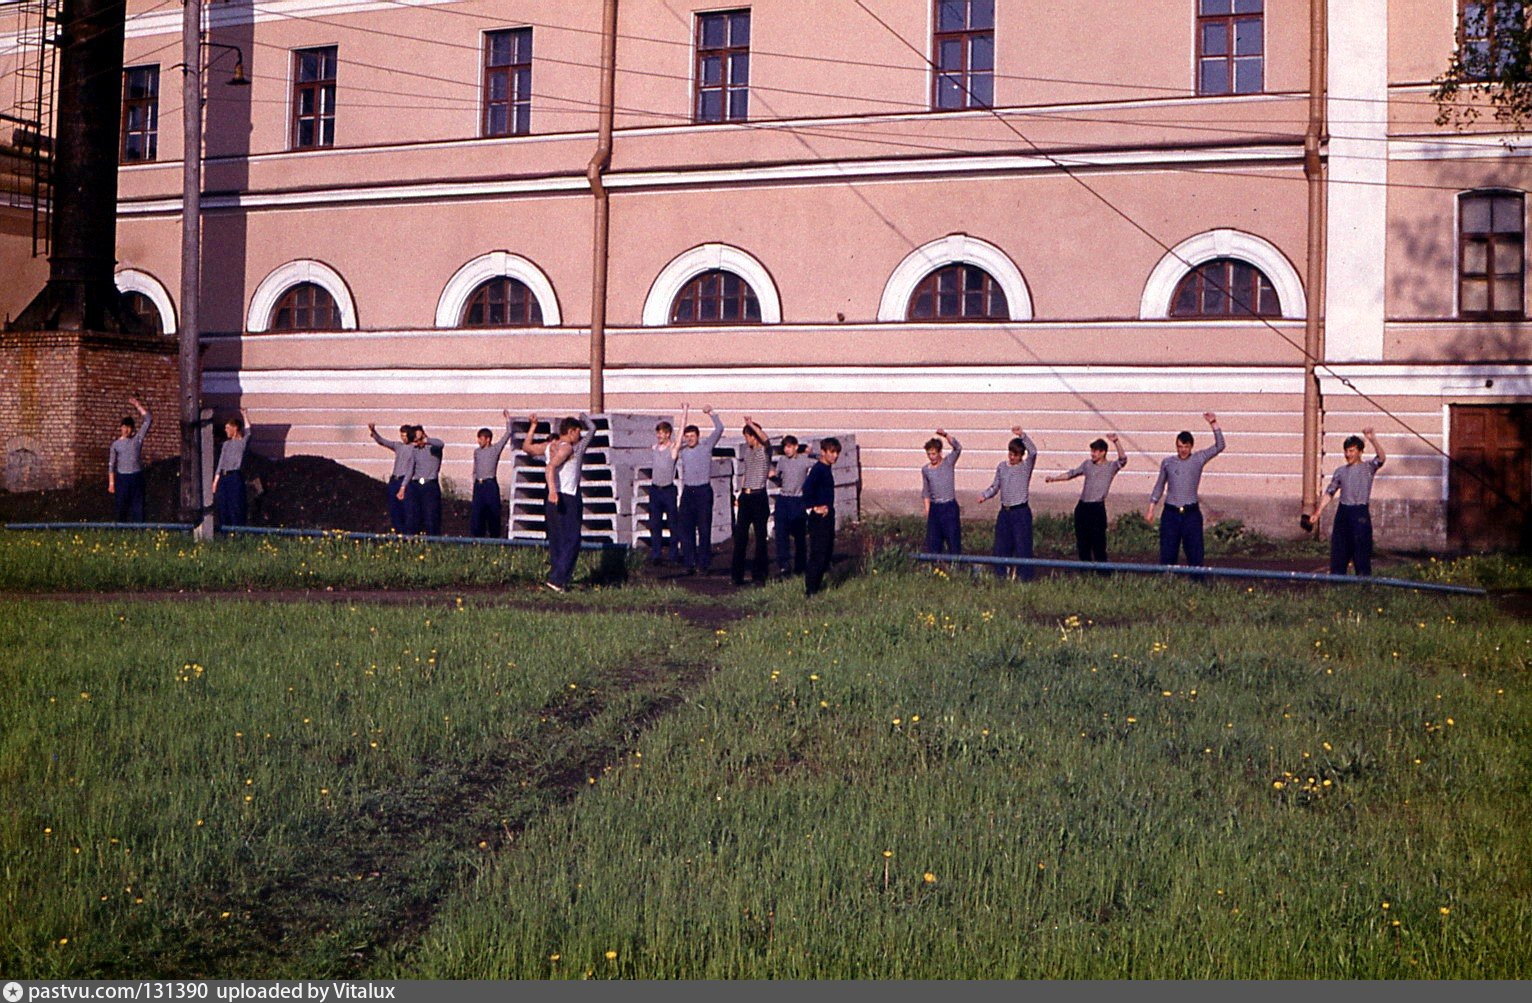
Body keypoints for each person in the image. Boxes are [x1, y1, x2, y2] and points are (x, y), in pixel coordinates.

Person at [522, 412, 596, 592]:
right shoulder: (567, 448)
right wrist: (584, 416)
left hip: (554, 496)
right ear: (571, 431)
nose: (579, 436)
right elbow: (550, 467)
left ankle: (557, 579)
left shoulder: (550, 446)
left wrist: (533, 427)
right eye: (577, 432)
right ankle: (558, 579)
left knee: (557, 539)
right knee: (572, 539)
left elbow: (527, 447)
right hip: (566, 495)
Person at [1145, 412, 1225, 568]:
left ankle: (1197, 583)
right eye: (1179, 446)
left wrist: (1214, 423)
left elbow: (1220, 445)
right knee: (1168, 553)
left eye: (1186, 447)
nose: (1182, 450)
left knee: (1195, 553)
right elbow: (1159, 485)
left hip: (1191, 514)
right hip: (1171, 513)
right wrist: (1151, 508)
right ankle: (1168, 583)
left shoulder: (1198, 459)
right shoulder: (1168, 462)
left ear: (1191, 447)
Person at [1309, 427, 1386, 576]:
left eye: (1351, 451)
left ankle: (1363, 585)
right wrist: (1317, 513)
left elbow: (1381, 458)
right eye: (1346, 451)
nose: (1347, 454)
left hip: (1360, 513)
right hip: (1343, 512)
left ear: (1359, 452)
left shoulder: (1368, 468)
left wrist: (1372, 439)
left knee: (1361, 551)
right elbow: (1330, 492)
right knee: (1339, 551)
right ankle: (1337, 584)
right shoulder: (1340, 471)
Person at [1047, 433, 1128, 564]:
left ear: (1103, 452)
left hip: (1097, 508)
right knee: (1082, 542)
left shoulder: (1110, 467)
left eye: (1095, 451)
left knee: (1098, 542)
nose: (1092, 454)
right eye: (1092, 451)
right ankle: (1085, 571)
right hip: (1083, 507)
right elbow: (1071, 474)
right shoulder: (1087, 464)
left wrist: (1116, 441)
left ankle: (1102, 573)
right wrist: (1054, 479)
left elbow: (1123, 460)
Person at [975, 426, 1038, 580]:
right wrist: (985, 495)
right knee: (1001, 546)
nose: (1011, 457)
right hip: (1005, 512)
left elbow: (1034, 452)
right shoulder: (1002, 467)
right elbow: (996, 485)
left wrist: (1023, 435)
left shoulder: (1025, 467)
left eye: (1015, 455)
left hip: (1020, 511)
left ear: (1021, 455)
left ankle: (1024, 577)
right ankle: (1001, 575)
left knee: (1023, 546)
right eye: (1010, 454)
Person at [675, 403, 724, 576]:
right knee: (685, 528)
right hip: (688, 492)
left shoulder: (706, 446)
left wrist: (711, 413)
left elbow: (719, 429)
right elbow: (672, 445)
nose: (689, 439)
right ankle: (689, 562)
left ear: (698, 436)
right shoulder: (683, 450)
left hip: (703, 491)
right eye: (687, 436)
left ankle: (703, 563)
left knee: (704, 528)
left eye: (692, 436)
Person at [731, 416, 773, 586]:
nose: (746, 440)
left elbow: (766, 439)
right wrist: (739, 494)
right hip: (746, 495)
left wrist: (751, 425)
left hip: (758, 496)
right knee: (741, 537)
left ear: (753, 436)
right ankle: (737, 575)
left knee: (760, 536)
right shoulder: (748, 452)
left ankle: (759, 575)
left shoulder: (764, 450)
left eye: (747, 436)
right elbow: (746, 473)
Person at [770, 434, 816, 578]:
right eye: (785, 447)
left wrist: (810, 452)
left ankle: (800, 566)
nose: (787, 450)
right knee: (781, 533)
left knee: (799, 534)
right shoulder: (783, 461)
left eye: (789, 447)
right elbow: (779, 479)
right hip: (784, 499)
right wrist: (772, 476)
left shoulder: (804, 460)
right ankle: (784, 565)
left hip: (797, 500)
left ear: (796, 447)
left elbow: (819, 462)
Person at [803, 437, 842, 597]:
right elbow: (806, 489)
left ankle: (816, 587)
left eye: (837, 453)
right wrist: (814, 508)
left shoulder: (826, 468)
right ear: (823, 452)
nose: (835, 456)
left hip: (828, 515)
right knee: (818, 553)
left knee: (826, 552)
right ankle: (811, 590)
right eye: (832, 452)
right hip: (818, 518)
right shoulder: (818, 470)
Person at [470, 410, 515, 538]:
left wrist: (508, 420)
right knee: (477, 514)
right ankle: (477, 539)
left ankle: (494, 538)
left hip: (490, 485)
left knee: (493, 513)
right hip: (479, 485)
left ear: (488, 439)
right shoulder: (477, 452)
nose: (479, 441)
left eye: (481, 438)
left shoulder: (495, 449)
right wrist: (474, 480)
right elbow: (475, 468)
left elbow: (508, 434)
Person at [108, 396, 151, 523]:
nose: (126, 430)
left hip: (136, 477)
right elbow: (111, 465)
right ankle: (121, 532)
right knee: (121, 508)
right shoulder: (115, 445)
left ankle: (139, 533)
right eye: (124, 427)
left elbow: (148, 419)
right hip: (122, 478)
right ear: (120, 428)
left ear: (132, 429)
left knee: (138, 508)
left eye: (129, 427)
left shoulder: (137, 440)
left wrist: (137, 405)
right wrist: (111, 483)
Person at [921, 428, 963, 556]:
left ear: (939, 452)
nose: (931, 457)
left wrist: (945, 435)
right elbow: (926, 491)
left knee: (953, 540)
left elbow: (958, 448)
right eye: (929, 454)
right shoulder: (926, 470)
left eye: (934, 453)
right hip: (935, 507)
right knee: (934, 542)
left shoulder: (948, 463)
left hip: (949, 506)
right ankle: (935, 568)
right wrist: (928, 509)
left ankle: (956, 567)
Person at [369, 421, 415, 533]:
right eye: (401, 435)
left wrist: (403, 486)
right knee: (394, 509)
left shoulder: (414, 449)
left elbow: (410, 469)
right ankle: (397, 532)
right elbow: (383, 442)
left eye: (404, 435)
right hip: (394, 480)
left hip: (405, 481)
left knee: (405, 509)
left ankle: (406, 533)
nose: (403, 438)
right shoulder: (398, 446)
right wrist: (374, 432)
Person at [647, 420, 681, 565]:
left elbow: (679, 438)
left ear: (668, 434)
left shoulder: (672, 449)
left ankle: (673, 554)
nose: (659, 435)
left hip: (668, 490)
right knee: (655, 523)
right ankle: (656, 554)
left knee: (673, 523)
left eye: (662, 433)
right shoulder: (654, 448)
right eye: (658, 432)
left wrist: (685, 412)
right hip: (655, 490)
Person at [400, 425, 445, 536]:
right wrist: (403, 486)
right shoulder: (415, 450)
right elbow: (410, 469)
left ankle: (433, 542)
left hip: (429, 485)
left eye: (418, 440)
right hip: (416, 485)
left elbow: (441, 443)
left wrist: (425, 440)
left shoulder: (433, 448)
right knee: (413, 517)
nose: (417, 443)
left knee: (431, 517)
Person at [211, 407, 252, 529]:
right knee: (223, 506)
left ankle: (237, 533)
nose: (226, 430)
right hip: (223, 478)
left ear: (235, 428)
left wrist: (244, 415)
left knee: (235, 506)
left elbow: (249, 432)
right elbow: (220, 463)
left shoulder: (241, 443)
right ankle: (225, 534)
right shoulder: (226, 444)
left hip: (234, 476)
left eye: (228, 428)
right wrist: (215, 482)